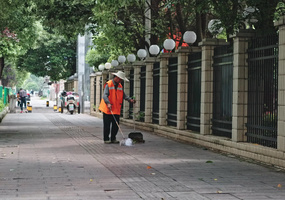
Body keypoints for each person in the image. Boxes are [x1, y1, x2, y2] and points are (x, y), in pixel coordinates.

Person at [99, 71, 136, 144]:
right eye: (120, 79)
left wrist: (130, 100)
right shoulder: (109, 84)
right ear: (117, 77)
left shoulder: (120, 86)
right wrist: (108, 103)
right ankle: (106, 139)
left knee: (116, 125)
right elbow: (105, 95)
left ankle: (113, 138)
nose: (121, 81)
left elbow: (124, 95)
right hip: (108, 109)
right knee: (107, 125)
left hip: (116, 109)